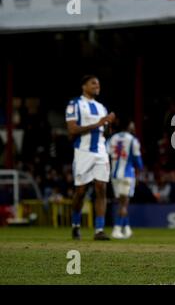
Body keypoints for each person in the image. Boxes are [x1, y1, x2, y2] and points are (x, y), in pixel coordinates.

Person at [66, 75, 115, 240]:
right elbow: (72, 130)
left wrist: (109, 124)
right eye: (93, 83)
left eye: (98, 84)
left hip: (101, 152)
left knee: (101, 188)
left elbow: (105, 131)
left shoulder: (102, 107)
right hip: (83, 152)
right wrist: (99, 123)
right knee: (80, 191)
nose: (97, 86)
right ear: (84, 86)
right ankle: (75, 225)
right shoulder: (74, 104)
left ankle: (99, 230)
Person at [107, 119, 144, 239]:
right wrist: (140, 168)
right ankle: (117, 229)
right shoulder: (132, 140)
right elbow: (138, 161)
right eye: (132, 124)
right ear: (128, 126)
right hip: (127, 174)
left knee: (121, 202)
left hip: (114, 174)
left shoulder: (112, 138)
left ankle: (127, 229)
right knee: (124, 203)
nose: (133, 126)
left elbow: (106, 152)